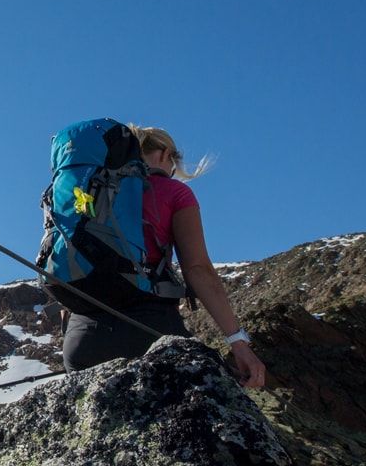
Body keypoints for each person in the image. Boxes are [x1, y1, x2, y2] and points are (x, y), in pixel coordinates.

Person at [58, 126, 268, 389]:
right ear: (165, 153)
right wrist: (238, 341)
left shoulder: (89, 191)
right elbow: (198, 268)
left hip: (81, 340)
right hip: (148, 329)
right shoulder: (174, 192)